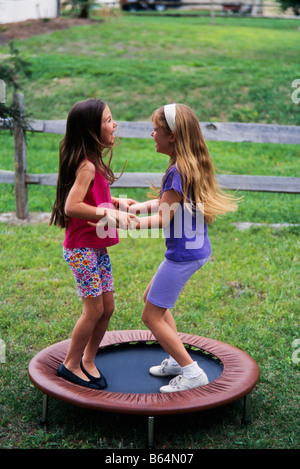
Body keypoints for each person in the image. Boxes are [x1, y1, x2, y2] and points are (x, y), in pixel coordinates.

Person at [125, 103, 240, 393]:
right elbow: (169, 203)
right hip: (196, 250)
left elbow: (164, 218)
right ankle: (177, 361)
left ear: (173, 136)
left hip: (182, 256)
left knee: (150, 315)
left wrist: (127, 223)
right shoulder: (187, 166)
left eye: (157, 130)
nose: (152, 134)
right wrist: (138, 207)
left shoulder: (177, 171)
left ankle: (191, 372)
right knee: (152, 299)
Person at [50, 98, 137, 390]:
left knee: (108, 307)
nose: (115, 124)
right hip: (81, 249)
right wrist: (108, 212)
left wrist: (116, 202)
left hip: (95, 247)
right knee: (93, 310)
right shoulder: (86, 165)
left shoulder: (94, 161)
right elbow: (72, 206)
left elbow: (94, 197)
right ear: (91, 129)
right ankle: (70, 364)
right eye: (109, 120)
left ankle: (88, 359)